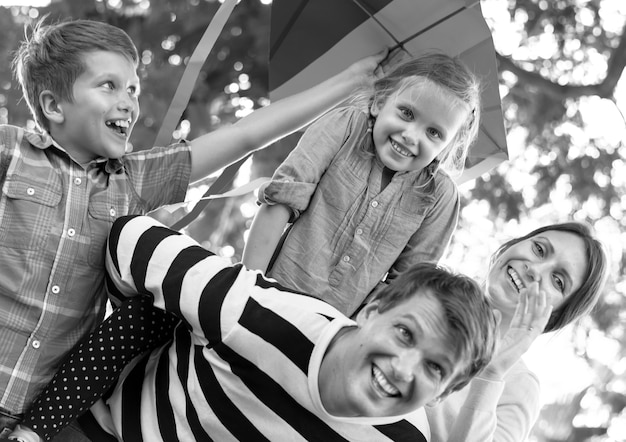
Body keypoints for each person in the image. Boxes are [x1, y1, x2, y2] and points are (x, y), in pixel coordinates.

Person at [0, 17, 386, 436]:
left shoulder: (132, 180)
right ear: (54, 106)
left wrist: (349, 83)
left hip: (43, 417)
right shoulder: (12, 152)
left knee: (158, 311)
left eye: (133, 89)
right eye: (108, 85)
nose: (129, 102)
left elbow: (245, 135)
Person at [8, 214, 498, 442]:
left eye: (434, 368)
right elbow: (129, 239)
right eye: (405, 334)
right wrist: (146, 319)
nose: (403, 367)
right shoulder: (255, 312)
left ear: (444, 393)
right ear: (371, 312)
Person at [242, 52, 482, 315]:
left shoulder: (439, 197)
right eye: (407, 113)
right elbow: (282, 199)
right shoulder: (345, 127)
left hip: (333, 336)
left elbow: (404, 290)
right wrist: (247, 288)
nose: (411, 136)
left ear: (447, 149)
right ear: (380, 101)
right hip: (266, 297)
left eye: (434, 133)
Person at [425, 222, 608, 442]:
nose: (535, 270)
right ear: (513, 244)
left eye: (557, 280)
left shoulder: (520, 388)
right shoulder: (425, 292)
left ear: (556, 314)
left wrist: (490, 376)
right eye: (539, 249)